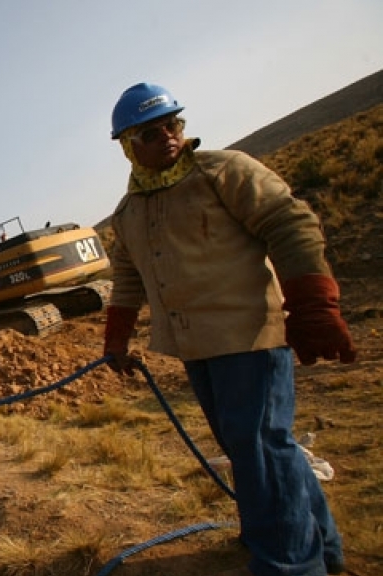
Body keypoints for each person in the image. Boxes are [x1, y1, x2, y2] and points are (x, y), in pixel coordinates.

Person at [103, 83, 356, 576]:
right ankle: (318, 546)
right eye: (151, 133)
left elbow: (290, 224)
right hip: (195, 348)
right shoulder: (130, 211)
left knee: (261, 448)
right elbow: (128, 276)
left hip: (249, 338)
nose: (168, 137)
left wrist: (314, 306)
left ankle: (290, 565)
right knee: (255, 448)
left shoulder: (224, 172)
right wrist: (116, 338)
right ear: (127, 146)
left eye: (173, 125)